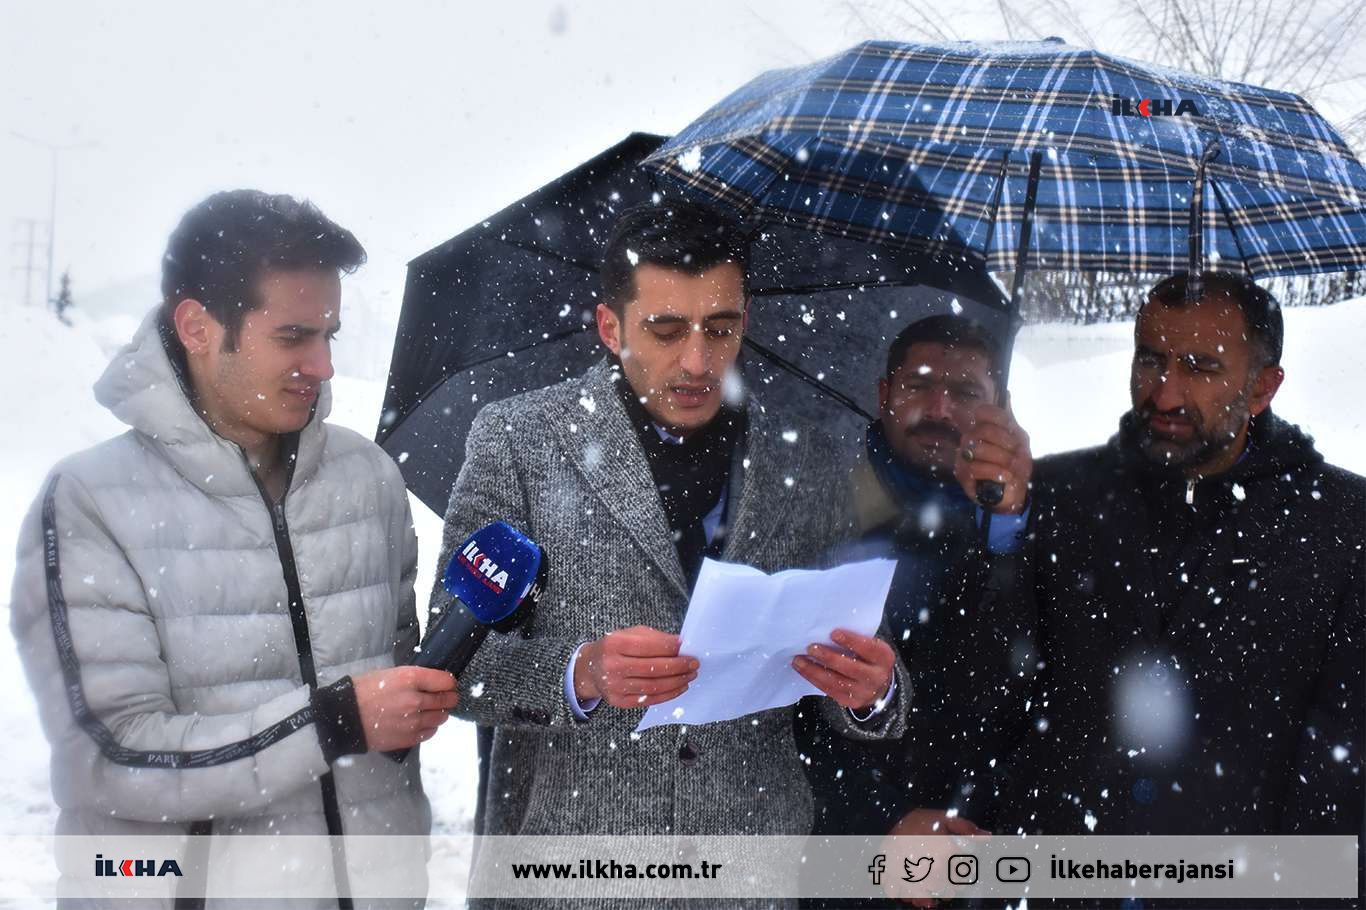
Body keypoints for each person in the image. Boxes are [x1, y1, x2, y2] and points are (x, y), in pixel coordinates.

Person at [9, 190, 454, 907]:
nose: (323, 365)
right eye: (293, 336)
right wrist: (333, 720)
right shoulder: (92, 500)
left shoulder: (367, 479)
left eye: (330, 336)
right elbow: (111, 755)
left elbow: (395, 720)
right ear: (197, 326)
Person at [430, 200, 907, 855]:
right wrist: (581, 673)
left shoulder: (809, 459)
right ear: (608, 326)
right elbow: (454, 668)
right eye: (665, 329)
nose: (697, 361)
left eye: (720, 328)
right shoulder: (518, 439)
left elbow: (863, 661)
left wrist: (873, 693)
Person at [995, 271, 1363, 840]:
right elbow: (989, 690)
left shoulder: (1345, 524)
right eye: (1150, 360)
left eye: (1200, 367)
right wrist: (997, 524)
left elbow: (1346, 759)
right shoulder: (1052, 496)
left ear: (1263, 388)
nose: (1164, 394)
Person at [795, 315, 1034, 906]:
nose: (939, 409)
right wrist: (884, 828)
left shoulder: (1042, 523)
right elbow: (790, 721)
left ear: (1001, 405)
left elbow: (1049, 694)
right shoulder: (813, 515)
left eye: (965, 393)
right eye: (919, 386)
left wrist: (1006, 527)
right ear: (884, 395)